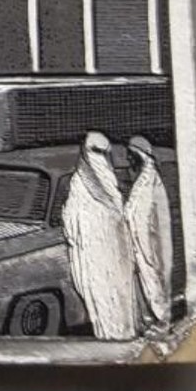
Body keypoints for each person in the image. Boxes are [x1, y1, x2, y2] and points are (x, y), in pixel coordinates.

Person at [62, 131, 140, 340]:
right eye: (95, 152)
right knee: (103, 302)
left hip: (117, 256)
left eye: (103, 152)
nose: (101, 158)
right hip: (92, 257)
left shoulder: (111, 184)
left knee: (122, 300)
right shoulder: (78, 185)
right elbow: (71, 225)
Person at [126, 135, 174, 333]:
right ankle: (150, 322)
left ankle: (163, 323)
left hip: (150, 248)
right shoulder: (140, 183)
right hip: (138, 247)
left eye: (130, 155)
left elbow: (155, 222)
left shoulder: (152, 183)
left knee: (155, 284)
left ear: (139, 155)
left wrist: (149, 252)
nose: (128, 160)